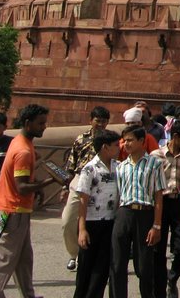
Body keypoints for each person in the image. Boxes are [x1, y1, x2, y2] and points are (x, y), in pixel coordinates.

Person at [0, 104, 59, 298]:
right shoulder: (23, 150)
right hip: (15, 210)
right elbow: (22, 187)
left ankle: (28, 295)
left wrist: (38, 189)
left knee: (24, 260)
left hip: (15, 209)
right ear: (27, 123)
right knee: (5, 260)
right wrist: (50, 181)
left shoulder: (20, 142)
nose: (44, 127)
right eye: (40, 123)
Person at [111, 124, 166, 298]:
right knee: (118, 263)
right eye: (124, 141)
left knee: (144, 266)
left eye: (130, 140)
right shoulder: (120, 167)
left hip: (145, 214)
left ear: (142, 141)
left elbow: (158, 196)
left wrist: (156, 225)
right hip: (124, 213)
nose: (126, 144)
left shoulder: (155, 164)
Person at [62, 105, 111, 272]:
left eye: (104, 122)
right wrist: (64, 186)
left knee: (98, 222)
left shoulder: (110, 141)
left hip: (102, 183)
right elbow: (71, 164)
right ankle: (73, 253)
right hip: (79, 181)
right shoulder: (81, 139)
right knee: (68, 220)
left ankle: (92, 257)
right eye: (98, 121)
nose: (101, 124)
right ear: (91, 121)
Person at [152, 119, 180, 298]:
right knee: (158, 247)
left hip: (178, 202)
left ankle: (173, 277)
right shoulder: (156, 155)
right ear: (175, 136)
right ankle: (159, 287)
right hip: (160, 202)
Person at [74, 129, 121, 298]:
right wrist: (82, 229)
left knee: (101, 270)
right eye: (116, 145)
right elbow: (83, 200)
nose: (119, 148)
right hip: (91, 223)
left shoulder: (118, 167)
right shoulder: (90, 169)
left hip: (109, 222)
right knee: (86, 269)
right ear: (104, 147)